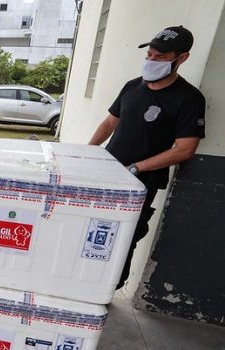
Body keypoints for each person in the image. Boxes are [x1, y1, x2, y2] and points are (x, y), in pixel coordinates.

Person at [88, 25, 206, 289]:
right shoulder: (132, 86)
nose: (152, 61)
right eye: (150, 55)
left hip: (140, 183)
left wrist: (136, 168)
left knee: (124, 237)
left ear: (181, 58)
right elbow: (110, 123)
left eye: (161, 57)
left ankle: (108, 289)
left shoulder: (188, 99)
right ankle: (87, 281)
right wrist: (87, 151)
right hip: (107, 174)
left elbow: (186, 148)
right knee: (94, 230)